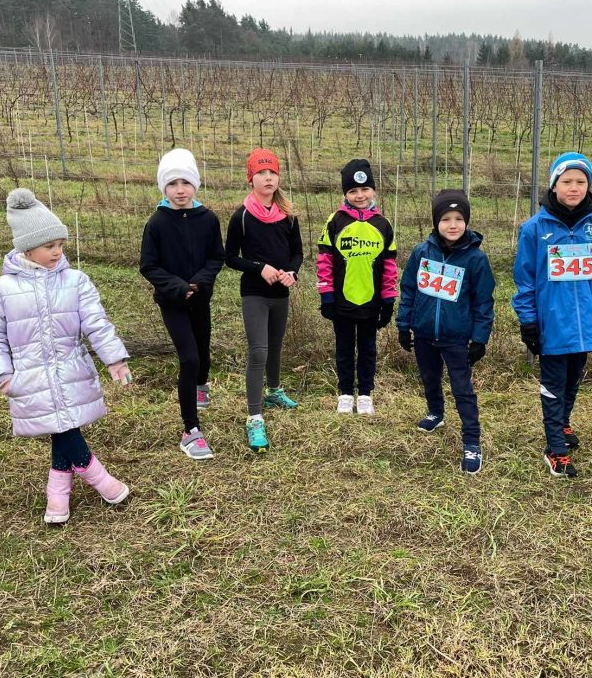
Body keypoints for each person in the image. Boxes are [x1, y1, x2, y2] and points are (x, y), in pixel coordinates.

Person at [0, 189, 132, 525]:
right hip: (29, 377)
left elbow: (96, 322)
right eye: (50, 246)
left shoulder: (76, 281)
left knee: (64, 429)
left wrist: (114, 359)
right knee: (63, 430)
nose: (57, 252)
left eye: (61, 245)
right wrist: (1, 374)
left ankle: (57, 500)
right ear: (27, 248)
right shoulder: (0, 290)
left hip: (70, 369)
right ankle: (101, 480)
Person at [512, 151, 592, 478]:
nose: (574, 188)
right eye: (566, 181)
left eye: (581, 181)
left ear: (589, 185)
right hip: (552, 325)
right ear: (554, 185)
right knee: (554, 383)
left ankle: (563, 423)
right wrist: (528, 321)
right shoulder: (534, 229)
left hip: (586, 323)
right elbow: (525, 278)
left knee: (573, 380)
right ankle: (555, 447)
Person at [397, 190, 495, 474]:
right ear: (436, 222)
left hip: (456, 338)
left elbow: (483, 301)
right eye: (446, 219)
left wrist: (479, 338)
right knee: (429, 377)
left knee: (462, 389)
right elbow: (409, 290)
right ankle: (436, 412)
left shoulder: (475, 259)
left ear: (466, 222)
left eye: (459, 219)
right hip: (425, 333)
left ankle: (472, 441)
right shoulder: (421, 253)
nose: (453, 225)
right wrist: (404, 325)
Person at [139, 148, 225, 459]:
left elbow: (217, 256)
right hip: (172, 302)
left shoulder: (208, 219)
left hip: (200, 298)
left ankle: (200, 386)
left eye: (185, 183)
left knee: (202, 355)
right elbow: (149, 266)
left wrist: (200, 282)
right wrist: (177, 287)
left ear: (195, 186)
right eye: (172, 183)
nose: (179, 190)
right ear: (164, 187)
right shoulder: (157, 223)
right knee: (188, 359)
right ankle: (190, 430)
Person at [224, 148, 302, 453]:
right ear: (251, 179)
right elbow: (229, 257)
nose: (267, 178)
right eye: (261, 173)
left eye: (272, 172)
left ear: (278, 177)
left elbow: (297, 253)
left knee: (276, 344)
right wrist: (260, 268)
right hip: (254, 293)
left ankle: (273, 391)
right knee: (259, 351)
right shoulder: (241, 217)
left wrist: (292, 273)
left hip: (280, 293)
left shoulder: (289, 216)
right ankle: (254, 417)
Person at [316, 159, 398, 414]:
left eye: (364, 190)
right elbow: (324, 262)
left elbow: (390, 267)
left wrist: (388, 300)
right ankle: (344, 393)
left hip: (370, 302)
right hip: (341, 301)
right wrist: (326, 295)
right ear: (345, 194)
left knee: (367, 349)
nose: (359, 195)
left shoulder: (383, 224)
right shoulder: (335, 221)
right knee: (343, 348)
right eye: (352, 191)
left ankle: (364, 394)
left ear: (373, 190)